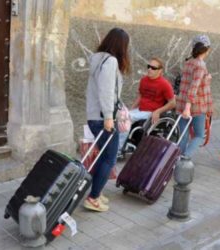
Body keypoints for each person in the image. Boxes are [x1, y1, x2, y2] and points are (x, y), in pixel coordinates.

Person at [85, 27, 131, 212]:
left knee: (104, 157)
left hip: (95, 116)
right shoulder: (110, 61)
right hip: (103, 118)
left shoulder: (98, 59)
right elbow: (106, 91)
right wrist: (109, 117)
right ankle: (93, 197)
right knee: (110, 159)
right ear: (121, 45)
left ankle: (95, 192)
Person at [118, 57, 176, 151]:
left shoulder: (164, 84)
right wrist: (130, 109)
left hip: (151, 112)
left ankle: (118, 149)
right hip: (140, 109)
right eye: (148, 66)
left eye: (153, 68)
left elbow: (173, 103)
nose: (149, 69)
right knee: (120, 115)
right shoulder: (144, 80)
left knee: (126, 119)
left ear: (160, 70)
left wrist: (158, 111)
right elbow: (140, 96)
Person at [176, 35, 213, 158]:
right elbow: (194, 87)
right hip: (195, 105)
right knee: (198, 135)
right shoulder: (200, 65)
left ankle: (177, 162)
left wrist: (206, 79)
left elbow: (188, 82)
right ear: (207, 49)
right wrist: (188, 107)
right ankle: (185, 158)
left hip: (182, 102)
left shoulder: (188, 62)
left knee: (183, 135)